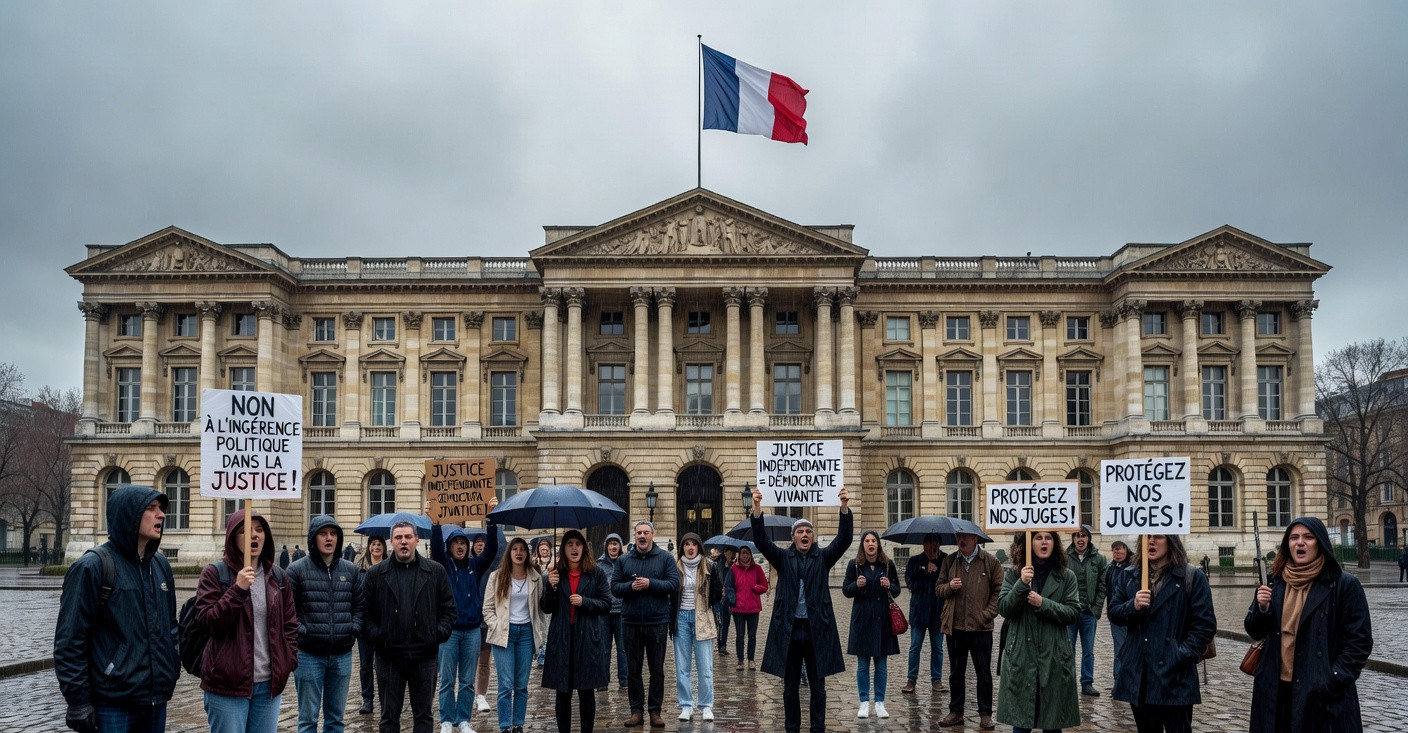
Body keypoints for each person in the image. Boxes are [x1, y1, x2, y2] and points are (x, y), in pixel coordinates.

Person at [54, 484, 179, 733]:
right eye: (152, 508)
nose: (161, 514)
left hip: (155, 701)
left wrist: (172, 664)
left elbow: (170, 627)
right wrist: (78, 701)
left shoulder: (160, 565)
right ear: (130, 514)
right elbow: (70, 641)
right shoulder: (92, 567)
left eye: (161, 508)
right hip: (112, 704)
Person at [1246, 516, 1372, 732]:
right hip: (1275, 692)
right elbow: (1254, 630)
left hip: (1320, 695)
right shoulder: (1275, 581)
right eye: (1294, 537)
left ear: (1320, 542)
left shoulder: (1343, 584)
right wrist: (1262, 608)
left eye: (1308, 537)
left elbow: (1359, 641)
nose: (1300, 543)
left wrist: (1333, 679)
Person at [750, 486, 853, 733]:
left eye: (808, 531)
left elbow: (844, 540)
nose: (804, 534)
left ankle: (818, 728)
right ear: (793, 537)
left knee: (818, 686)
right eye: (800, 532)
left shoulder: (823, 558)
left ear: (812, 537)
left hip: (817, 629)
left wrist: (844, 507)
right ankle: (792, 728)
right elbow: (761, 541)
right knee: (790, 686)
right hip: (790, 630)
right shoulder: (782, 558)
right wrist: (757, 508)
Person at [195, 508, 300, 733]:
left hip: (268, 686)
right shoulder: (215, 573)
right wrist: (237, 590)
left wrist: (287, 660)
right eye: (245, 531)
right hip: (227, 686)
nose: (254, 535)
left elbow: (290, 624)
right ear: (232, 538)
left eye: (259, 530)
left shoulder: (278, 576)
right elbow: (208, 623)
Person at [1108, 534, 1216, 733]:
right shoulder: (1129, 575)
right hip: (1140, 676)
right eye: (1147, 536)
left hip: (1175, 678)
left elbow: (1205, 625)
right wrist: (1132, 606)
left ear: (1171, 541)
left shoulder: (1191, 576)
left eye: (1157, 536)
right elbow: (1114, 613)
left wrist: (1180, 654)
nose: (1151, 541)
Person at [363, 520, 457, 733]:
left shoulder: (435, 571)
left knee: (424, 717)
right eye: (398, 537)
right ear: (391, 542)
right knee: (388, 718)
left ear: (417, 540)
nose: (403, 542)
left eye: (407, 537)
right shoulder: (375, 574)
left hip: (424, 656)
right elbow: (364, 613)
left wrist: (435, 635)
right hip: (388, 657)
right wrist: (379, 636)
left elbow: (449, 610)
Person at [428, 501, 501, 733]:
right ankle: (446, 720)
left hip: (471, 631)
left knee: (467, 681)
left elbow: (491, 551)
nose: (460, 546)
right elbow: (436, 550)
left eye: (463, 543)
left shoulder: (474, 565)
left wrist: (491, 521)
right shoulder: (444, 566)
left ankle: (463, 720)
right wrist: (436, 525)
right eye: (456, 543)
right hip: (449, 632)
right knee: (447, 680)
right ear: (449, 546)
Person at [287, 514, 365, 733]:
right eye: (323, 534)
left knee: (336, 719)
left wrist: (353, 629)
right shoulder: (296, 570)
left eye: (333, 534)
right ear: (313, 538)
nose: (329, 538)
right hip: (309, 654)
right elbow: (289, 612)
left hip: (342, 653)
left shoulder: (351, 570)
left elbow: (360, 607)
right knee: (307, 719)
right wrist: (304, 632)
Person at [996, 531, 1080, 733]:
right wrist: (1021, 584)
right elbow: (1004, 608)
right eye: (1038, 538)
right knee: (1021, 722)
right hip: (1022, 655)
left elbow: (1073, 612)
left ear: (1055, 543)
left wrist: (1044, 604)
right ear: (1029, 543)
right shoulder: (1015, 574)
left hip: (1053, 656)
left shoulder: (1066, 576)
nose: (1044, 542)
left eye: (1048, 538)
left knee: (1053, 722)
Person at [610, 520, 680, 729]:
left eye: (646, 533)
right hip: (630, 622)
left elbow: (673, 584)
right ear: (634, 536)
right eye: (639, 532)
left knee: (657, 670)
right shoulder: (623, 560)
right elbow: (614, 587)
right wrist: (631, 587)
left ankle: (655, 711)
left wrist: (650, 583)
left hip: (657, 621)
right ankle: (636, 711)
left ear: (652, 535)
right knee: (633, 670)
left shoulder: (665, 558)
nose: (642, 536)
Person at [541, 530, 612, 733]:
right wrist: (550, 587)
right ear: (563, 549)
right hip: (562, 638)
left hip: (587, 638)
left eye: (578, 544)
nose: (574, 548)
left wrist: (585, 601)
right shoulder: (556, 574)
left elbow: (606, 603)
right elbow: (546, 607)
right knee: (563, 692)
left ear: (584, 548)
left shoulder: (595, 573)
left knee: (586, 691)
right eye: (569, 544)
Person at [937, 530, 1003, 730]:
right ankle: (956, 711)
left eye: (965, 537)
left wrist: (986, 614)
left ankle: (985, 714)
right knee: (956, 673)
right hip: (955, 627)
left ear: (975, 538)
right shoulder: (950, 561)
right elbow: (938, 588)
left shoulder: (990, 562)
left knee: (983, 673)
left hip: (981, 628)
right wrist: (949, 586)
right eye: (958, 537)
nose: (961, 540)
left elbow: (999, 591)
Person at [483, 537, 549, 733]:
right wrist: (495, 625)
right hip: (504, 633)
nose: (519, 553)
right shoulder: (497, 577)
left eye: (523, 549)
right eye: (515, 549)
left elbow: (541, 608)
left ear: (527, 554)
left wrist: (540, 631)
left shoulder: (535, 577)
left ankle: (518, 724)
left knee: (521, 684)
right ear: (509, 553)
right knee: (505, 684)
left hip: (526, 633)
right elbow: (487, 608)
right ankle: (505, 725)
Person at [843, 530, 901, 720]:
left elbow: (897, 590)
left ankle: (880, 702)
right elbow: (846, 590)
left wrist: (889, 585)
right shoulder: (854, 565)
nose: (870, 544)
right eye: (867, 541)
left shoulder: (888, 564)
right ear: (863, 545)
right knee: (862, 665)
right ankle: (864, 702)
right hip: (862, 621)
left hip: (883, 621)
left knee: (881, 665)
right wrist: (856, 585)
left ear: (878, 544)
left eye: (873, 541)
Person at [671, 533, 724, 722]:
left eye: (694, 544)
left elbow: (718, 590)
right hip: (681, 618)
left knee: (705, 667)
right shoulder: (675, 566)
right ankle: (686, 705)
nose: (690, 547)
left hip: (702, 617)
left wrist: (705, 603)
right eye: (687, 544)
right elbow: (671, 592)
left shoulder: (709, 565)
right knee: (682, 667)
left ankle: (706, 705)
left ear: (699, 547)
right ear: (682, 547)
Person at [902, 533, 946, 696]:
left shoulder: (945, 560)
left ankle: (937, 680)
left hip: (938, 612)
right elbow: (910, 583)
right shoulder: (915, 560)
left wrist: (936, 571)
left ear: (939, 544)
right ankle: (911, 680)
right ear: (924, 544)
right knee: (915, 647)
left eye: (935, 541)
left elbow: (947, 584)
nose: (931, 545)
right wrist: (924, 571)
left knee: (938, 648)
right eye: (928, 542)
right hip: (919, 612)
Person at [1066, 525, 1107, 697]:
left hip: (1088, 612)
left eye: (1083, 536)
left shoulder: (1099, 558)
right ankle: (1068, 682)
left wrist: (1096, 608)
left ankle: (1087, 682)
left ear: (1088, 538)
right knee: (1068, 649)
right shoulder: (1065, 557)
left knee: (1088, 650)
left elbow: (1103, 585)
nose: (1080, 539)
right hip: (1069, 611)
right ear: (1073, 539)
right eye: (1077, 535)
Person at [471, 531, 504, 714]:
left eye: (484, 542)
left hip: (487, 621)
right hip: (470, 621)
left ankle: (480, 695)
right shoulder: (468, 565)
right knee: (467, 663)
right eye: (477, 542)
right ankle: (467, 694)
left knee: (484, 662)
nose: (481, 544)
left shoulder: (495, 570)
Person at [355, 536, 388, 715]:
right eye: (373, 544)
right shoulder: (360, 570)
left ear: (384, 548)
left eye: (379, 544)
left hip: (384, 624)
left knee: (384, 664)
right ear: (369, 548)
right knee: (366, 664)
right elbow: (356, 596)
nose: (376, 547)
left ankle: (385, 697)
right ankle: (367, 698)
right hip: (365, 625)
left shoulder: (390, 568)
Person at [725, 544, 769, 671]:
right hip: (738, 608)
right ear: (739, 555)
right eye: (743, 553)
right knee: (740, 635)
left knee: (752, 635)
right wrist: (733, 599)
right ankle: (740, 660)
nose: (745, 555)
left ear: (750, 555)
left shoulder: (757, 569)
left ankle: (751, 659)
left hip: (753, 608)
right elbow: (728, 586)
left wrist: (756, 587)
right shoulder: (733, 569)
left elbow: (764, 585)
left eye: (747, 553)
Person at [596, 533, 629, 690]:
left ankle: (624, 678)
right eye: (611, 543)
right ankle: (603, 680)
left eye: (616, 543)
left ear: (620, 546)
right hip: (604, 611)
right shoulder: (599, 565)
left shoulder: (626, 562)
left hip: (622, 611)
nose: (613, 546)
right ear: (606, 546)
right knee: (604, 647)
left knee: (623, 648)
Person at [1105, 540, 1133, 681]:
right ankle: (1118, 680)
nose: (1117, 553)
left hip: (1132, 612)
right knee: (1119, 648)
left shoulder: (1133, 567)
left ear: (1126, 550)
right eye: (1115, 550)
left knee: (1132, 647)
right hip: (1116, 614)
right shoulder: (1111, 567)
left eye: (1120, 549)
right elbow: (1107, 588)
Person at [531, 537, 555, 667]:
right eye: (542, 549)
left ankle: (547, 651)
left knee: (548, 625)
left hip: (549, 598)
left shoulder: (554, 562)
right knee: (539, 625)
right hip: (536, 598)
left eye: (546, 549)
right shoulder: (534, 563)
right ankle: (539, 650)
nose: (544, 551)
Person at [712, 547, 734, 658]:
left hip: (728, 599)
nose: (731, 554)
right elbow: (716, 580)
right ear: (725, 553)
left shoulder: (734, 566)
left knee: (726, 623)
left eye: (732, 552)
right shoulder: (718, 565)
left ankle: (723, 644)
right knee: (720, 623)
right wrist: (720, 589)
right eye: (729, 552)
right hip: (719, 599)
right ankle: (720, 645)